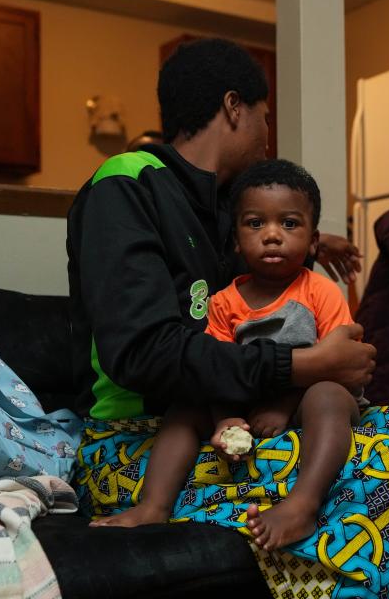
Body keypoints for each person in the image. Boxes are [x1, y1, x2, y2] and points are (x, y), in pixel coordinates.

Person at [68, 38, 389, 597]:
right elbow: (145, 352)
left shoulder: (222, 209)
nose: (268, 133)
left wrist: (314, 243)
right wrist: (305, 365)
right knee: (379, 467)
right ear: (235, 107)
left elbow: (261, 286)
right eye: (266, 116)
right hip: (143, 441)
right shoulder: (127, 183)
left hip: (241, 421)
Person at [90, 159, 362, 550]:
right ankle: (153, 505)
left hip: (307, 398)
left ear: (314, 241)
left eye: (289, 224)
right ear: (236, 240)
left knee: (328, 395)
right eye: (255, 224)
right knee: (186, 405)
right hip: (246, 397)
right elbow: (214, 369)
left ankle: (302, 504)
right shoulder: (223, 303)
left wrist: (284, 407)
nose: (272, 235)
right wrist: (225, 418)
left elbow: (337, 364)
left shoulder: (320, 291)